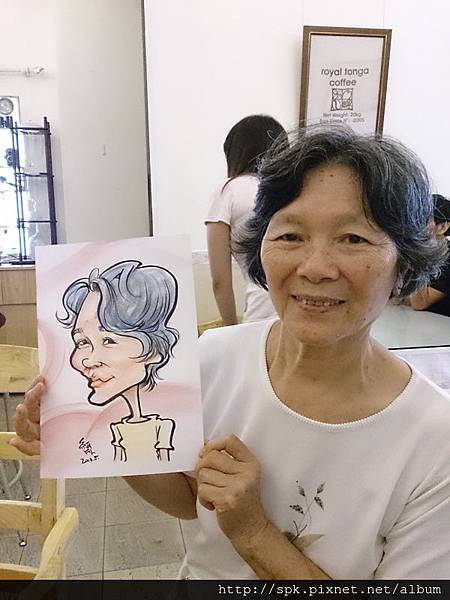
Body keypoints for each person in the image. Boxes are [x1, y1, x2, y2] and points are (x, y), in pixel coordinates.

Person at [12, 125, 450, 579]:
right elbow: (188, 500)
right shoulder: (214, 358)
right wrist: (94, 430)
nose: (315, 267)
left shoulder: (434, 441)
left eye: (353, 238)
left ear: (404, 265)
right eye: (290, 236)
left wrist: (254, 532)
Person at [55, 260, 179, 463]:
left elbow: (165, 463)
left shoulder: (166, 424)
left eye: (108, 340)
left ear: (153, 351)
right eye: (82, 342)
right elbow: (119, 462)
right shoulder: (116, 427)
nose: (88, 361)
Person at [206, 114, 286, 325]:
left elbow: (220, 281)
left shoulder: (229, 191)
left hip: (261, 307)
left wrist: (230, 329)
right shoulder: (291, 190)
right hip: (299, 304)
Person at [409, 193, 450, 316]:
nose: (415, 224)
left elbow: (419, 302)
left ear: (443, 227)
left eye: (423, 219)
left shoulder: (446, 256)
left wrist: (418, 252)